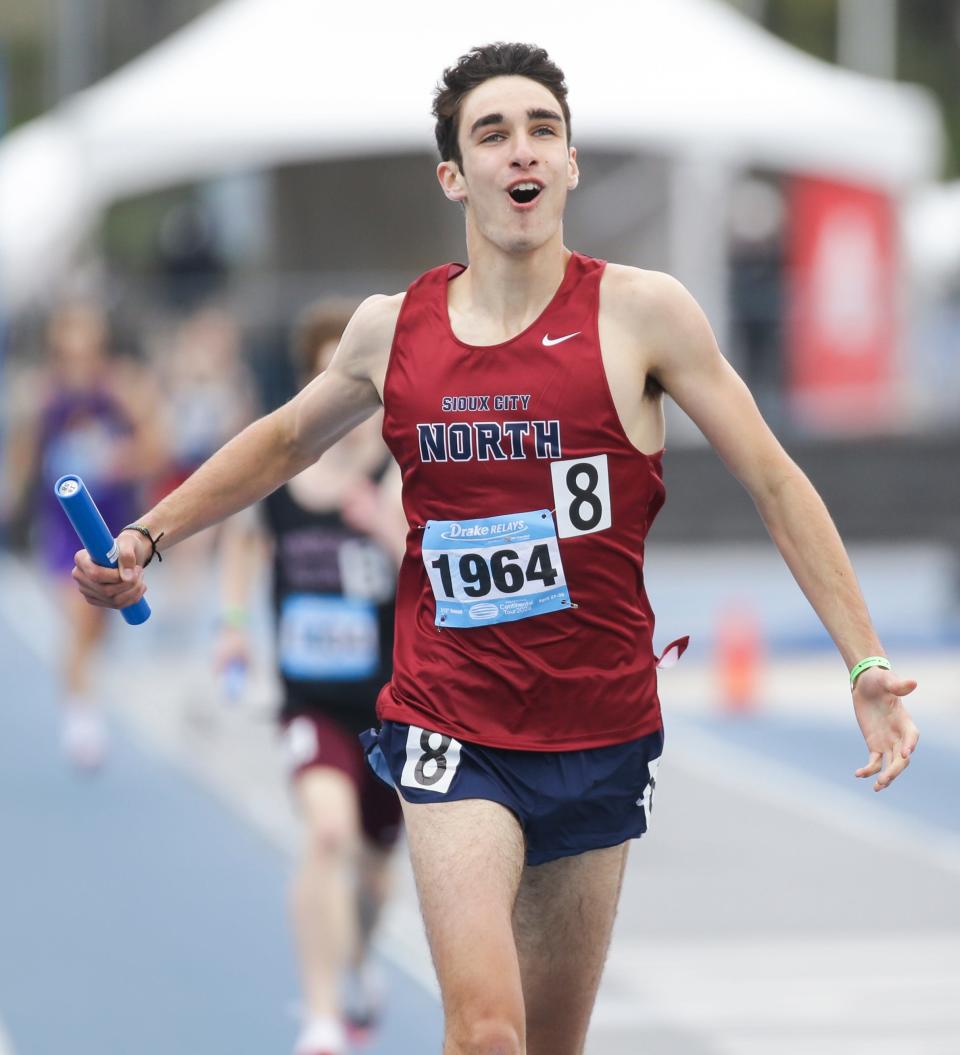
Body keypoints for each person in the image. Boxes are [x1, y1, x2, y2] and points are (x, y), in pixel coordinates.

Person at [72, 43, 920, 1055]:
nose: (522, 149)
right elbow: (286, 440)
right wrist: (145, 534)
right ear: (455, 175)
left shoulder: (643, 314)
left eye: (542, 130)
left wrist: (863, 658)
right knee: (484, 1031)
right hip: (450, 717)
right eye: (493, 133)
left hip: (597, 724)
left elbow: (776, 480)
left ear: (568, 164)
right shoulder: (394, 331)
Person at [214, 300, 404, 1055]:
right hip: (310, 703)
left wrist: (381, 524)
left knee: (375, 877)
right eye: (332, 374)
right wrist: (232, 631)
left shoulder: (397, 473)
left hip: (392, 711)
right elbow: (241, 541)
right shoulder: (285, 478)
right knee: (328, 834)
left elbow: (438, 574)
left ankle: (355, 957)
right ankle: (322, 1016)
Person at [5, 302, 165, 768]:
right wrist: (12, 496)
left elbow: (159, 447)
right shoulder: (43, 397)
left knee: (99, 622)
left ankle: (84, 686)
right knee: (79, 615)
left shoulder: (123, 391)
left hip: (114, 524)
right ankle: (81, 716)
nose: (77, 364)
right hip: (59, 529)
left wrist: (123, 457)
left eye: (86, 353)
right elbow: (23, 453)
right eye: (67, 354)